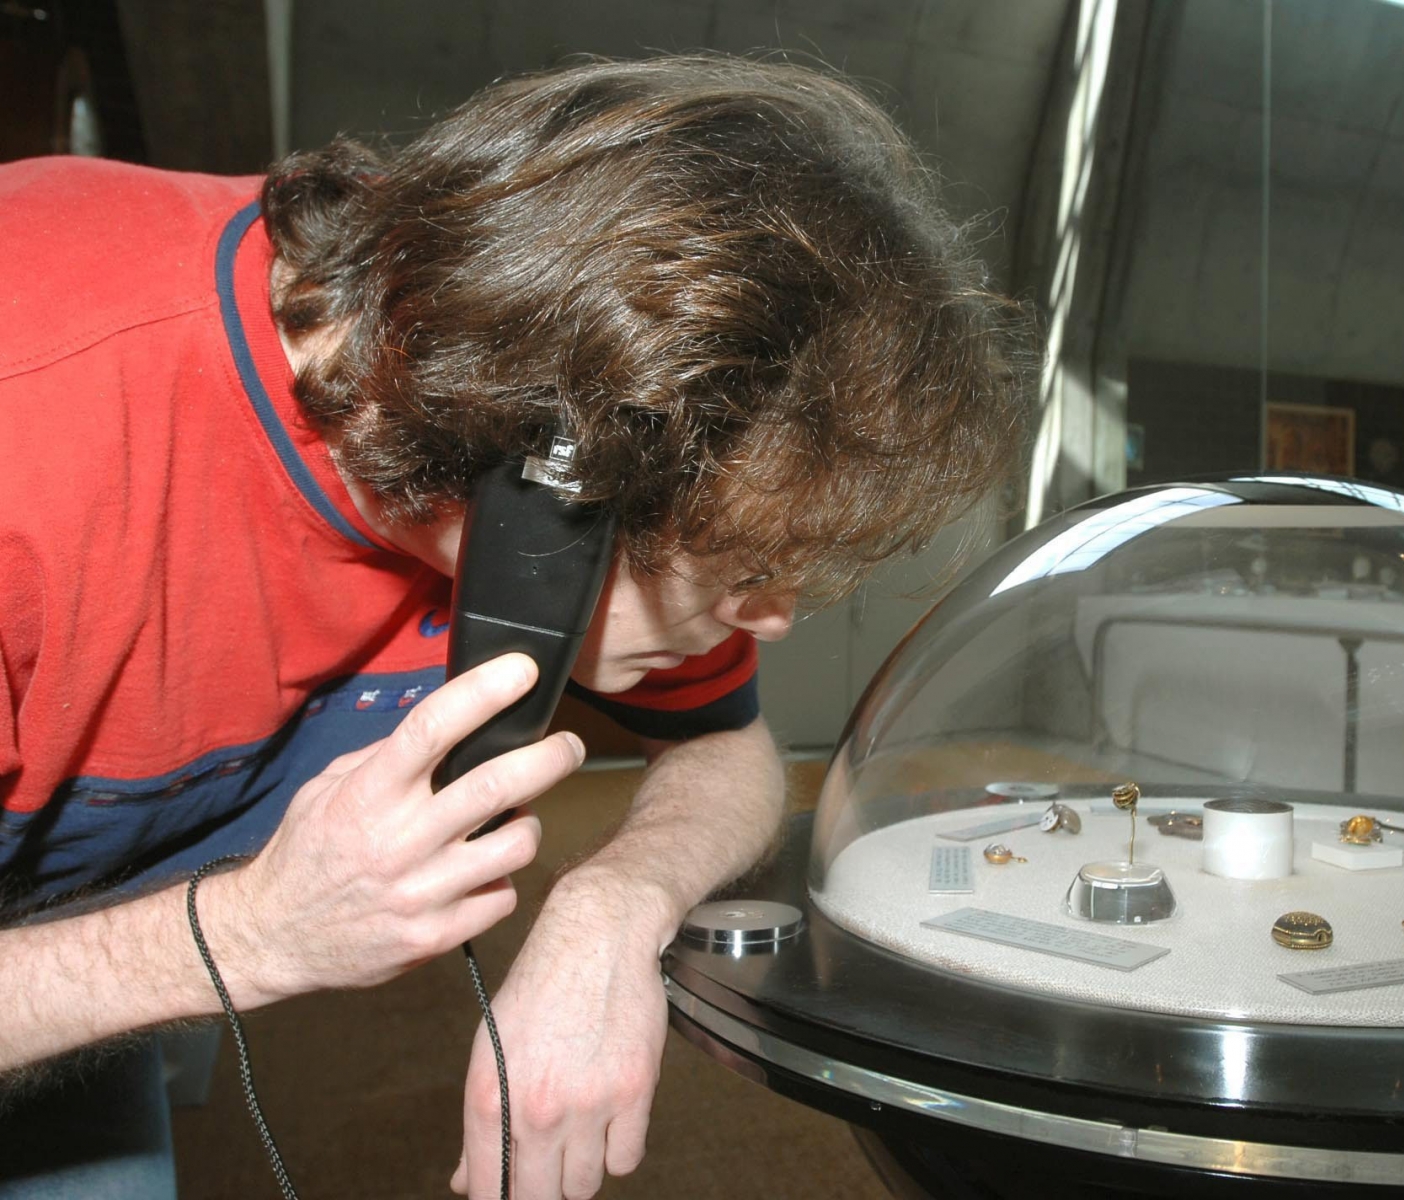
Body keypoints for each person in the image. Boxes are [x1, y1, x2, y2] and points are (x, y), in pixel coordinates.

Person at [0, 55, 1031, 1199]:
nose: (772, 621)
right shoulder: (35, 425)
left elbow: (728, 750)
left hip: (83, 958)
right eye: (746, 573)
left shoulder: (549, 398)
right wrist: (247, 934)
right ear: (552, 474)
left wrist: (615, 902)